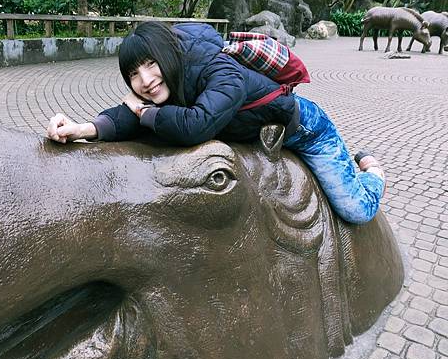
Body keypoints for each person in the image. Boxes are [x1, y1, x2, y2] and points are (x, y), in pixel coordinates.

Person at [46, 21, 385, 224]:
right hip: (259, 136)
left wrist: (145, 114)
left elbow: (196, 124)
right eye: (134, 74)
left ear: (166, 55)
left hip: (306, 131)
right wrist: (84, 129)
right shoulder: (172, 82)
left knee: (355, 209)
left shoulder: (221, 71)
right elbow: (131, 114)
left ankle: (372, 171)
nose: (145, 80)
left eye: (150, 64)